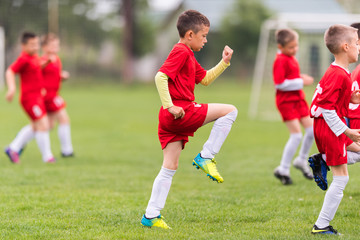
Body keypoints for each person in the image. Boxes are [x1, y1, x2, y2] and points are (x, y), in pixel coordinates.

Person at [140, 10, 237, 229]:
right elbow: (160, 76)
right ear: (190, 34)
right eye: (203, 36)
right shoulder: (181, 51)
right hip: (180, 112)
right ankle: (206, 156)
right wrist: (171, 105)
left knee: (169, 166)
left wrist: (224, 62)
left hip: (169, 118)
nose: (206, 40)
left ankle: (151, 215)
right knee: (230, 110)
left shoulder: (188, 55)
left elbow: (204, 79)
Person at [308, 24, 360, 235]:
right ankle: (321, 226)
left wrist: (351, 98)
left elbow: (331, 102)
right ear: (346, 47)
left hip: (329, 126)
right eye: (357, 44)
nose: (359, 47)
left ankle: (322, 159)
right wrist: (346, 131)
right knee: (341, 179)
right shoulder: (339, 74)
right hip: (330, 128)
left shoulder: (340, 72)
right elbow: (326, 109)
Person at [9, 33, 75, 158]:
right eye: (52, 45)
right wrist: (12, 88)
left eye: (57, 45)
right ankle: (64, 152)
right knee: (59, 120)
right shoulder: (38, 59)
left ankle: (15, 146)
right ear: (44, 47)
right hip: (45, 96)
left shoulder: (51, 59)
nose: (56, 47)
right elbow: (16, 71)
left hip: (50, 95)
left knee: (43, 126)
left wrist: (61, 76)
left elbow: (45, 73)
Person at [272, 29, 314, 185]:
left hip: (299, 99)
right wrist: (301, 81)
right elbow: (280, 84)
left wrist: (299, 78)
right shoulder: (280, 60)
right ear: (280, 47)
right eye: (291, 47)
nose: (294, 49)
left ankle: (301, 160)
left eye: (296, 46)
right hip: (286, 102)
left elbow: (291, 77)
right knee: (296, 136)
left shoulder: (291, 58)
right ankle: (283, 169)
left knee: (312, 130)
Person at [5, 32, 55, 163]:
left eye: (37, 44)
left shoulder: (34, 57)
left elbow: (34, 70)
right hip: (30, 99)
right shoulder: (24, 59)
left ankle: (13, 148)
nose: (35, 47)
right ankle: (48, 157)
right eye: (32, 45)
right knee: (43, 125)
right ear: (23, 46)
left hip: (37, 97)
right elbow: (10, 71)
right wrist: (12, 88)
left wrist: (45, 63)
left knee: (35, 126)